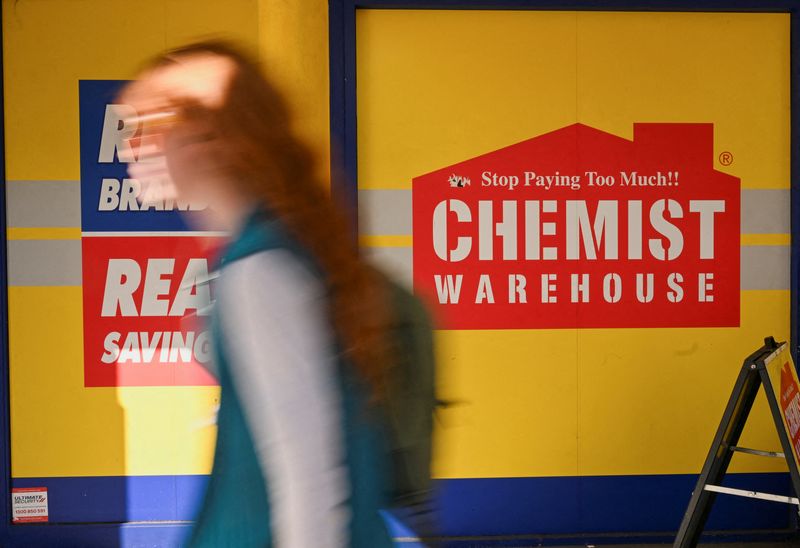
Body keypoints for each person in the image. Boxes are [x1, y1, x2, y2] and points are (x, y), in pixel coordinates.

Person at [120, 41, 395, 548]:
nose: (130, 149)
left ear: (208, 139)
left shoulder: (259, 271)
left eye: (147, 128)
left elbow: (308, 479)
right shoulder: (278, 251)